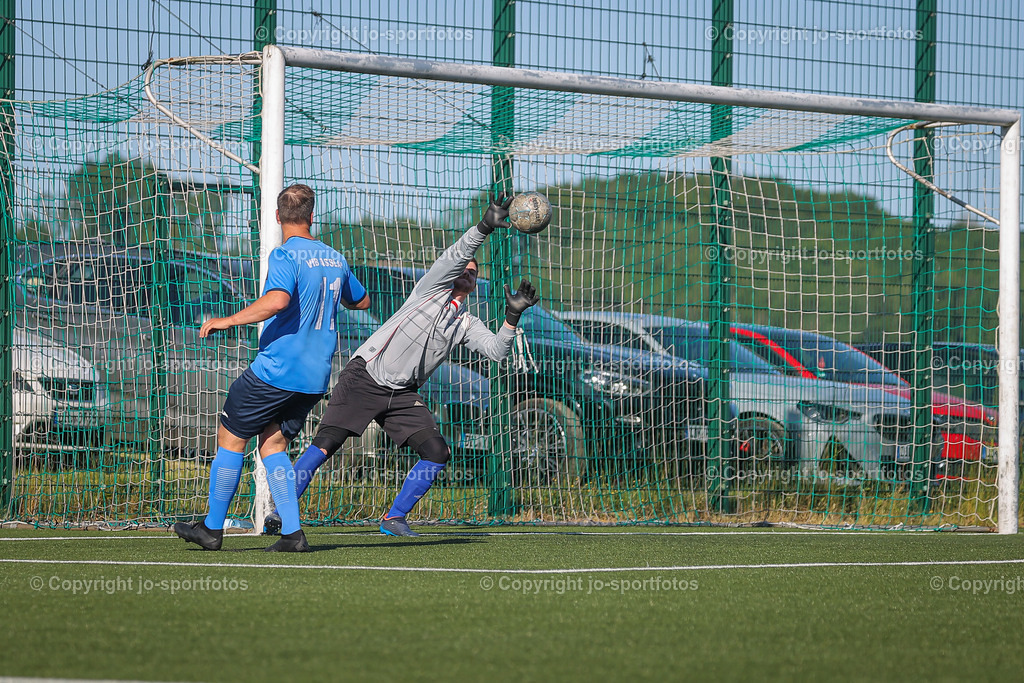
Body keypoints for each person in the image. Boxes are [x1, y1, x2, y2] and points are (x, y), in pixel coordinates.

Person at [262, 193, 539, 537]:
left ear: (476, 282)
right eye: (463, 269)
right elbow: (457, 254)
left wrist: (513, 316)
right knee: (326, 444)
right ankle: (280, 513)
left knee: (437, 451)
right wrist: (483, 227)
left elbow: (497, 351)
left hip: (402, 394)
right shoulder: (429, 289)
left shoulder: (465, 323)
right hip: (366, 376)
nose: (466, 272)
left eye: (473, 272)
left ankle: (394, 518)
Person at [173, 183, 370, 552]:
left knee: (231, 439)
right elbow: (361, 301)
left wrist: (227, 321)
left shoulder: (285, 255)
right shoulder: (334, 258)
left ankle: (211, 529)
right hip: (314, 378)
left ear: (278, 217)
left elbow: (277, 301)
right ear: (312, 216)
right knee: (274, 445)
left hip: (277, 369)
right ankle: (293, 534)